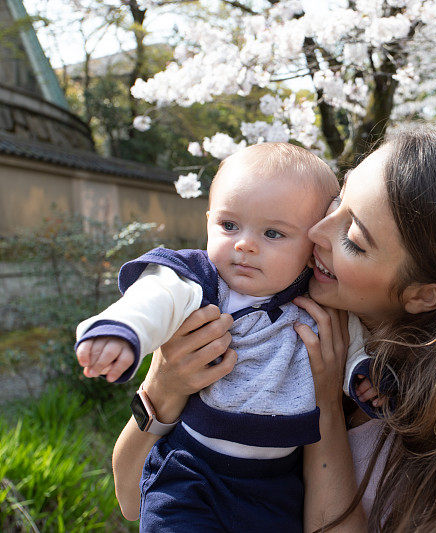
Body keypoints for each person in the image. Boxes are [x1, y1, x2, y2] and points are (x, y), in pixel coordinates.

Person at [110, 126, 436, 532]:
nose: (314, 232)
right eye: (337, 202)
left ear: (424, 295)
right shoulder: (243, 303)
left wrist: (325, 405)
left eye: (354, 239)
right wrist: (164, 387)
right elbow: (132, 501)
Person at [74, 143, 384, 532]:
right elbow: (155, 298)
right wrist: (123, 331)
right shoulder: (200, 281)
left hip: (277, 482)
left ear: (312, 246)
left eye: (273, 233)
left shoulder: (318, 302)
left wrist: (365, 376)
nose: (244, 244)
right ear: (208, 220)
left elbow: (354, 345)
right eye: (228, 225)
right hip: (191, 471)